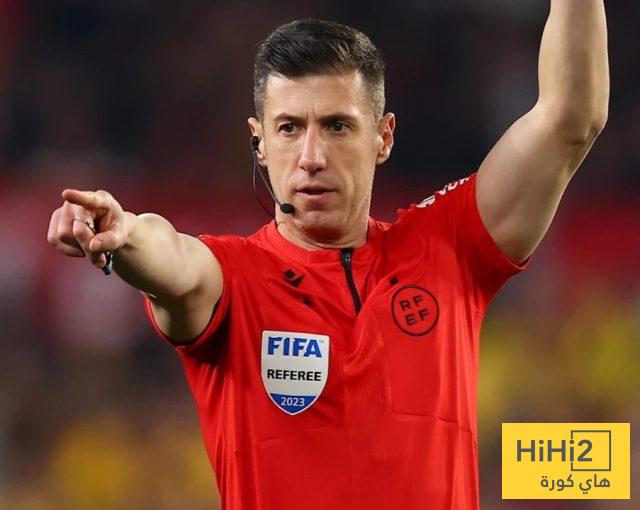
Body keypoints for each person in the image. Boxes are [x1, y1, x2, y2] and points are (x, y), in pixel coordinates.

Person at [46, 4, 609, 509]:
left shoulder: (449, 248)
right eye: (289, 128)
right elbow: (171, 258)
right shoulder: (232, 279)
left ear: (384, 137)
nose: (311, 156)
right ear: (259, 142)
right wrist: (124, 234)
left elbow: (571, 118)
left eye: (337, 126)